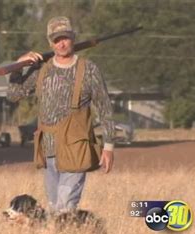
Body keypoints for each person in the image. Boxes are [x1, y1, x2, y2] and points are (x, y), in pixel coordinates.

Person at [7, 16, 115, 215]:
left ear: (73, 38)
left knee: (65, 206)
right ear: (50, 42)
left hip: (76, 145)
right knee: (54, 206)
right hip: (49, 147)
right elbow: (14, 95)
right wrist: (18, 66)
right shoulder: (41, 69)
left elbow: (105, 108)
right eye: (57, 39)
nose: (62, 43)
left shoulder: (89, 69)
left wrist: (108, 147)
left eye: (65, 37)